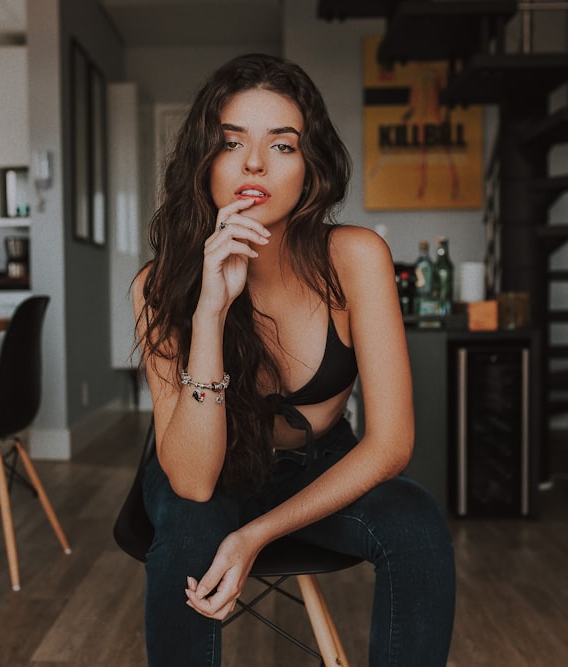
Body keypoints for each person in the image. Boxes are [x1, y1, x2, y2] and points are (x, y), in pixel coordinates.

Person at [132, 53, 456, 666]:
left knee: (415, 523)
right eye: (232, 143)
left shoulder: (357, 257)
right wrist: (209, 313)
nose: (255, 163)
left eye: (282, 145)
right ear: (204, 163)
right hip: (205, 470)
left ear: (310, 168)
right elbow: (194, 479)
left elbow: (391, 444)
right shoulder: (159, 286)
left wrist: (257, 534)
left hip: (317, 471)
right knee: (189, 530)